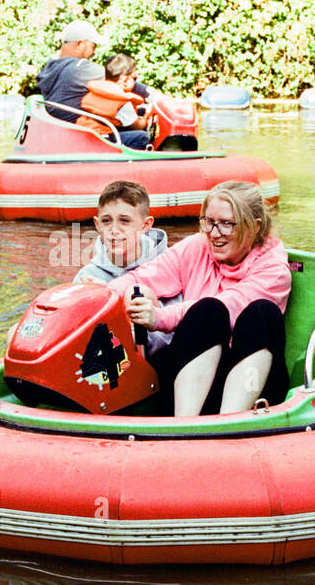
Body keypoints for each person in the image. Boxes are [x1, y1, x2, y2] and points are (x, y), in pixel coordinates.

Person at [110, 181, 291, 417]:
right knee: (207, 311)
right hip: (193, 379)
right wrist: (122, 293)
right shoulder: (197, 246)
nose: (214, 234)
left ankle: (230, 423)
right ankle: (185, 424)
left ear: (254, 227)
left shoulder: (274, 270)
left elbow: (231, 304)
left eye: (226, 224)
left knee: (253, 312)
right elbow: (143, 276)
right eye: (209, 222)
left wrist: (159, 318)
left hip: (251, 383)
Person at [74, 180, 175, 352]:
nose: (114, 230)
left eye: (125, 221)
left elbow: (177, 332)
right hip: (109, 365)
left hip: (161, 360)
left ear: (146, 225)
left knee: (140, 293)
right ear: (97, 224)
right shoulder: (87, 276)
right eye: (106, 221)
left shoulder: (169, 265)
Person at [37, 20, 154, 142]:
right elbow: (118, 77)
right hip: (84, 138)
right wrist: (156, 97)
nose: (94, 52)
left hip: (64, 133)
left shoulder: (51, 69)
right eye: (93, 46)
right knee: (142, 138)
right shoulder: (78, 69)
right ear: (79, 44)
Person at [77, 53, 152, 149]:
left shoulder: (99, 90)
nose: (135, 81)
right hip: (102, 139)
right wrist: (147, 114)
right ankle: (126, 161)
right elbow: (139, 126)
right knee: (142, 137)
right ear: (124, 80)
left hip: (85, 134)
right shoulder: (122, 101)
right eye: (134, 78)